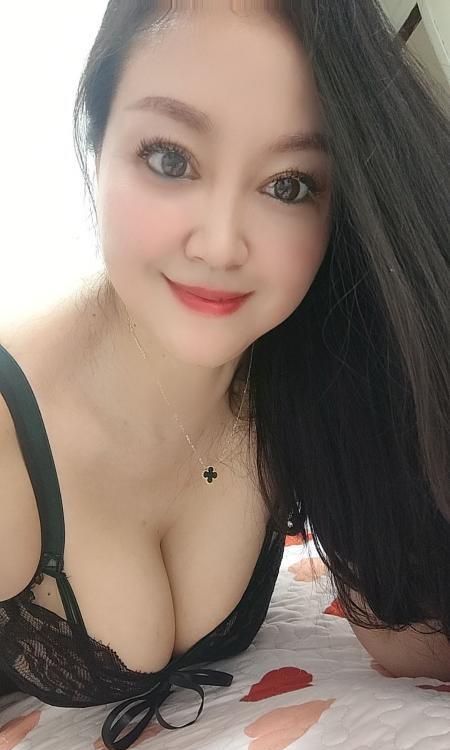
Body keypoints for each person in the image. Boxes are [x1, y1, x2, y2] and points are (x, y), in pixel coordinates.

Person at [0, 1, 449, 748]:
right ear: (97, 141)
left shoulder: (303, 367)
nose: (220, 244)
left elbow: (410, 645)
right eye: (170, 159)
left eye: (289, 185)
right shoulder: (12, 436)